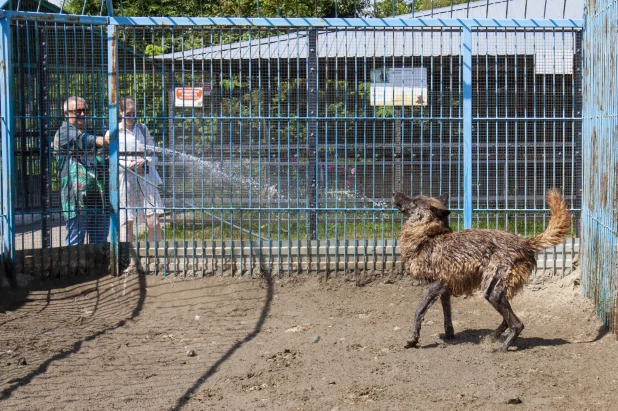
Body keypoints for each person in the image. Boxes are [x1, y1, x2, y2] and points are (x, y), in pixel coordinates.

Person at [106, 96, 164, 243]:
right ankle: (129, 258)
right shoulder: (113, 132)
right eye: (129, 113)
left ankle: (156, 256)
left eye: (134, 113)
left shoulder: (143, 129)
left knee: (154, 220)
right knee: (127, 221)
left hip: (145, 177)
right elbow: (109, 159)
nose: (132, 117)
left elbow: (152, 152)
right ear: (120, 112)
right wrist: (127, 164)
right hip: (125, 180)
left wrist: (145, 161)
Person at [53, 96, 110, 246]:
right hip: (76, 200)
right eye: (78, 111)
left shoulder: (91, 131)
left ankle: (99, 269)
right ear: (66, 113)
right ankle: (73, 270)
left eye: (85, 111)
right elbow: (82, 140)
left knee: (100, 244)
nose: (83, 115)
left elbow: (103, 157)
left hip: (98, 197)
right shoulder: (64, 132)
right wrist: (103, 141)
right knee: (75, 245)